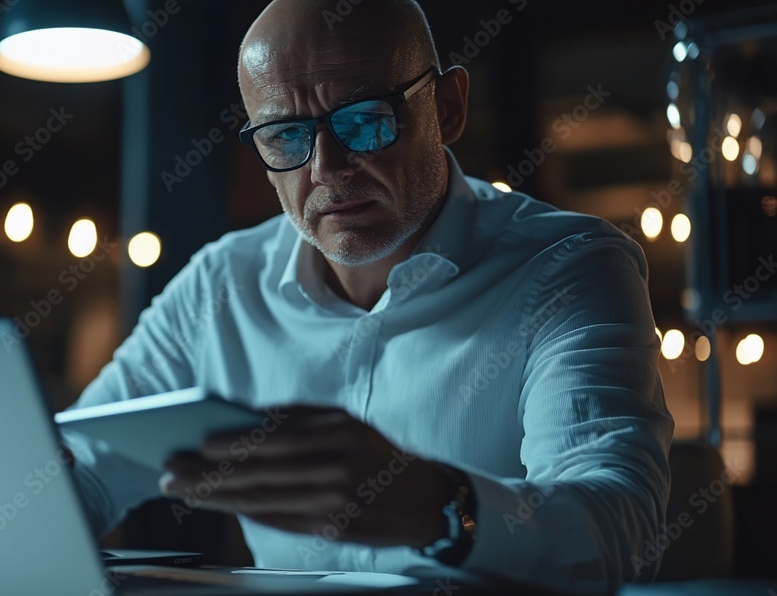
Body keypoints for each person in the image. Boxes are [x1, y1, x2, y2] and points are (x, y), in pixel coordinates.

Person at [63, 0, 674, 590]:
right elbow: (84, 466)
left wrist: (442, 508)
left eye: (364, 119)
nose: (327, 167)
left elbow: (619, 532)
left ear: (448, 107)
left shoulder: (567, 267)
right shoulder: (221, 284)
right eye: (285, 135)